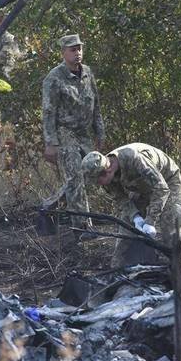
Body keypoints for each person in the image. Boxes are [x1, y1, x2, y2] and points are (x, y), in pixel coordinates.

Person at [81, 143, 181, 267]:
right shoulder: (106, 177)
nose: (98, 184)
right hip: (141, 188)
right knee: (127, 226)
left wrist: (150, 221)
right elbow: (121, 199)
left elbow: (161, 189)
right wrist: (136, 217)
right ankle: (118, 269)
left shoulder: (135, 159)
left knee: (170, 222)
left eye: (97, 181)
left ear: (107, 171)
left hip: (167, 181)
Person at [42, 34, 105, 233]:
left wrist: (100, 132)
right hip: (64, 133)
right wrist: (51, 142)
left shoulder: (87, 72)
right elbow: (48, 111)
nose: (77, 53)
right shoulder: (54, 77)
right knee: (75, 177)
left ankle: (50, 205)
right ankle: (83, 228)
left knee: (92, 171)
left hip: (83, 133)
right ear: (63, 53)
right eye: (72, 49)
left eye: (79, 49)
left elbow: (96, 105)